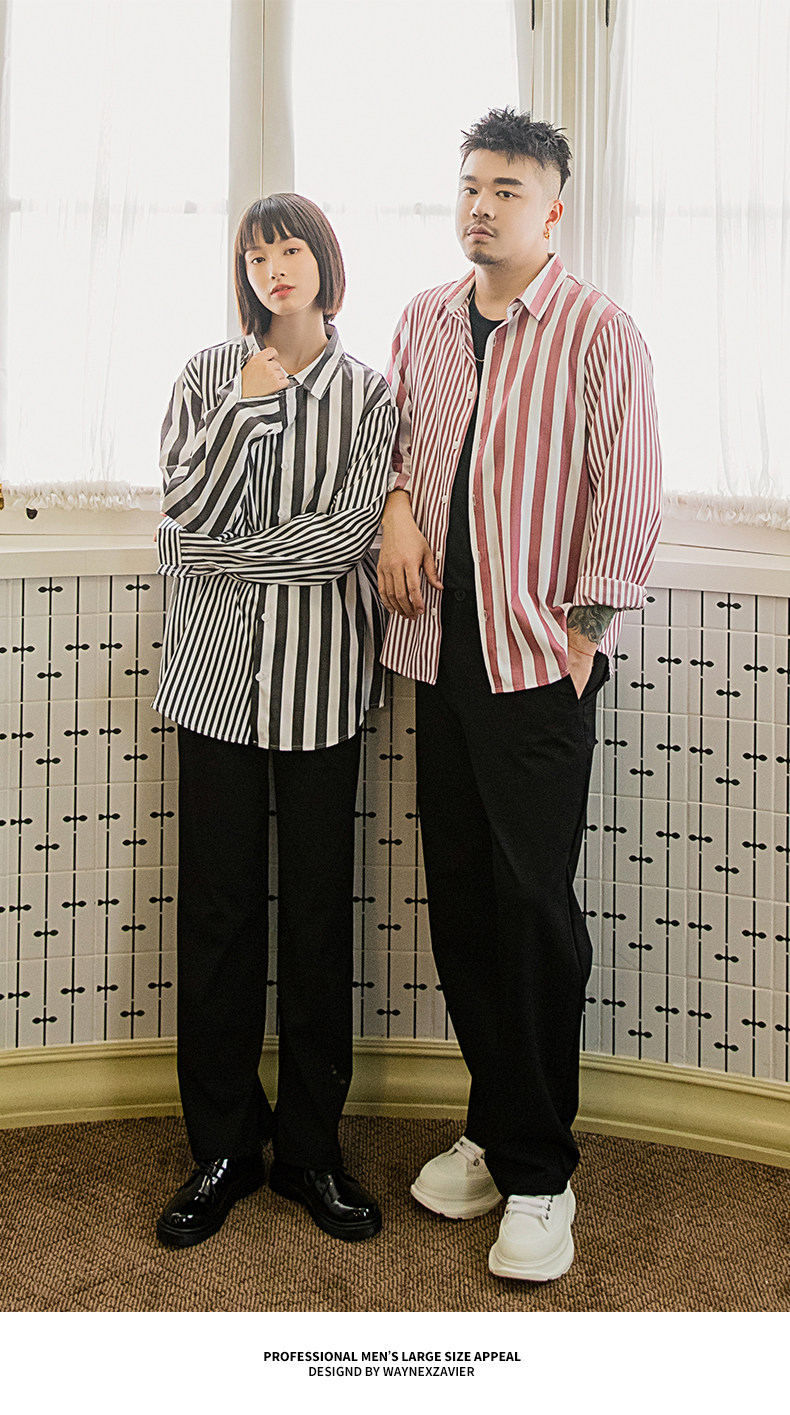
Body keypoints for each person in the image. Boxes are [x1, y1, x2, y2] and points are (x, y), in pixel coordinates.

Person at [377, 108, 662, 1282]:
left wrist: (580, 640)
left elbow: (628, 498)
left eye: (507, 189)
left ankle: (542, 1172)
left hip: (538, 666)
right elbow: (395, 449)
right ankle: (494, 1126)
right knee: (460, 906)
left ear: (553, 211)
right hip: (435, 658)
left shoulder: (599, 331)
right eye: (470, 185)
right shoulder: (421, 320)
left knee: (534, 910)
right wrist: (397, 513)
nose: (482, 205)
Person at [153, 193, 396, 1248]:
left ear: (323, 261)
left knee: (315, 915)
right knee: (215, 914)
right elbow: (184, 506)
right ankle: (220, 1144)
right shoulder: (207, 375)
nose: (274, 269)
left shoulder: (370, 394)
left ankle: (309, 1148)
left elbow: (344, 538)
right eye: (257, 256)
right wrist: (247, 407)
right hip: (211, 681)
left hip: (322, 684)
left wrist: (218, 553)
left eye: (291, 249)